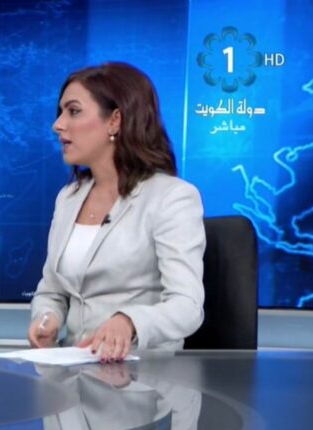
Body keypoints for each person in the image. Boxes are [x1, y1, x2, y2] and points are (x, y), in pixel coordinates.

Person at [29, 62, 205, 361]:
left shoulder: (172, 198)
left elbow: (187, 306)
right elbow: (53, 291)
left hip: (143, 377)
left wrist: (129, 321)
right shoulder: (68, 198)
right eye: (60, 112)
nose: (58, 124)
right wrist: (48, 318)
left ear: (114, 121)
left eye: (73, 111)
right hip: (72, 372)